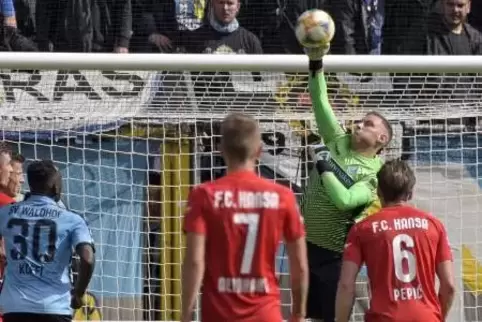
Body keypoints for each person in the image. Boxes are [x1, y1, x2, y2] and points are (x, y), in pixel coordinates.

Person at [181, 113, 308, 322]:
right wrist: (299, 313)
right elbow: (300, 265)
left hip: (219, 313)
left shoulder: (204, 195)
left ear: (221, 150)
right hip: (265, 313)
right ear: (259, 151)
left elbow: (195, 261)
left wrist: (186, 314)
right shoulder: (282, 196)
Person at [301, 42, 394, 321]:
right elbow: (321, 102)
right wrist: (316, 63)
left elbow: (345, 201)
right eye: (360, 121)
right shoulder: (337, 140)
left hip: (335, 258)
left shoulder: (376, 175)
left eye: (368, 124)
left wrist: (324, 164)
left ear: (382, 139)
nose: (358, 125)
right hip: (305, 246)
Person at [335, 159, 455, 322]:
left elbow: (346, 285)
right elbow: (449, 286)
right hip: (426, 317)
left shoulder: (362, 229)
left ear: (378, 192)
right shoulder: (434, 225)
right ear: (410, 193)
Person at [0, 160, 96, 322]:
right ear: (55, 185)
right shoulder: (72, 219)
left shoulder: (6, 213)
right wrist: (78, 294)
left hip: (15, 307)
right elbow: (87, 258)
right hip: (55, 307)